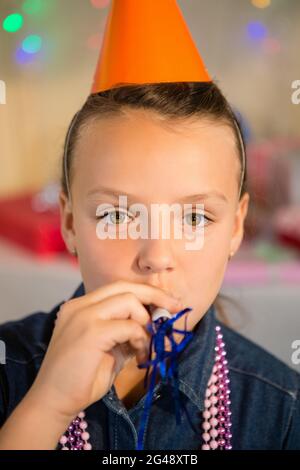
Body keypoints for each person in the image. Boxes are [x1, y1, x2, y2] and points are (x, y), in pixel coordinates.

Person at [0, 0, 299, 450]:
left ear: (236, 227)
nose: (157, 257)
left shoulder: (283, 411)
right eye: (118, 215)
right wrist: (47, 407)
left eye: (195, 217)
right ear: (68, 223)